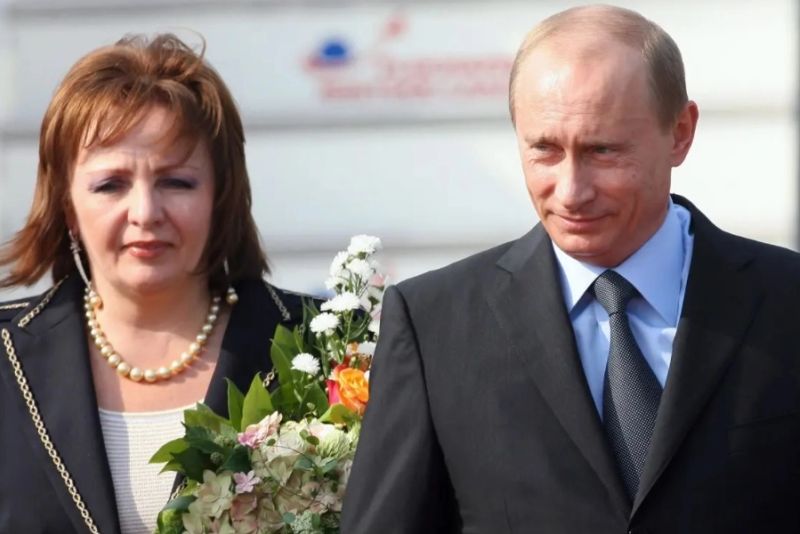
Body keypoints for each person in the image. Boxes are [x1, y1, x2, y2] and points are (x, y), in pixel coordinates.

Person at [342, 5, 800, 533]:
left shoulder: (786, 302)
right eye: (545, 150)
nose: (571, 191)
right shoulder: (435, 326)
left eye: (603, 150)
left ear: (679, 133)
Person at [0, 34, 304, 534]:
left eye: (176, 181)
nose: (145, 212)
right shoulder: (7, 357)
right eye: (110, 185)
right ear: (67, 206)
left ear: (220, 196)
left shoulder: (322, 348)